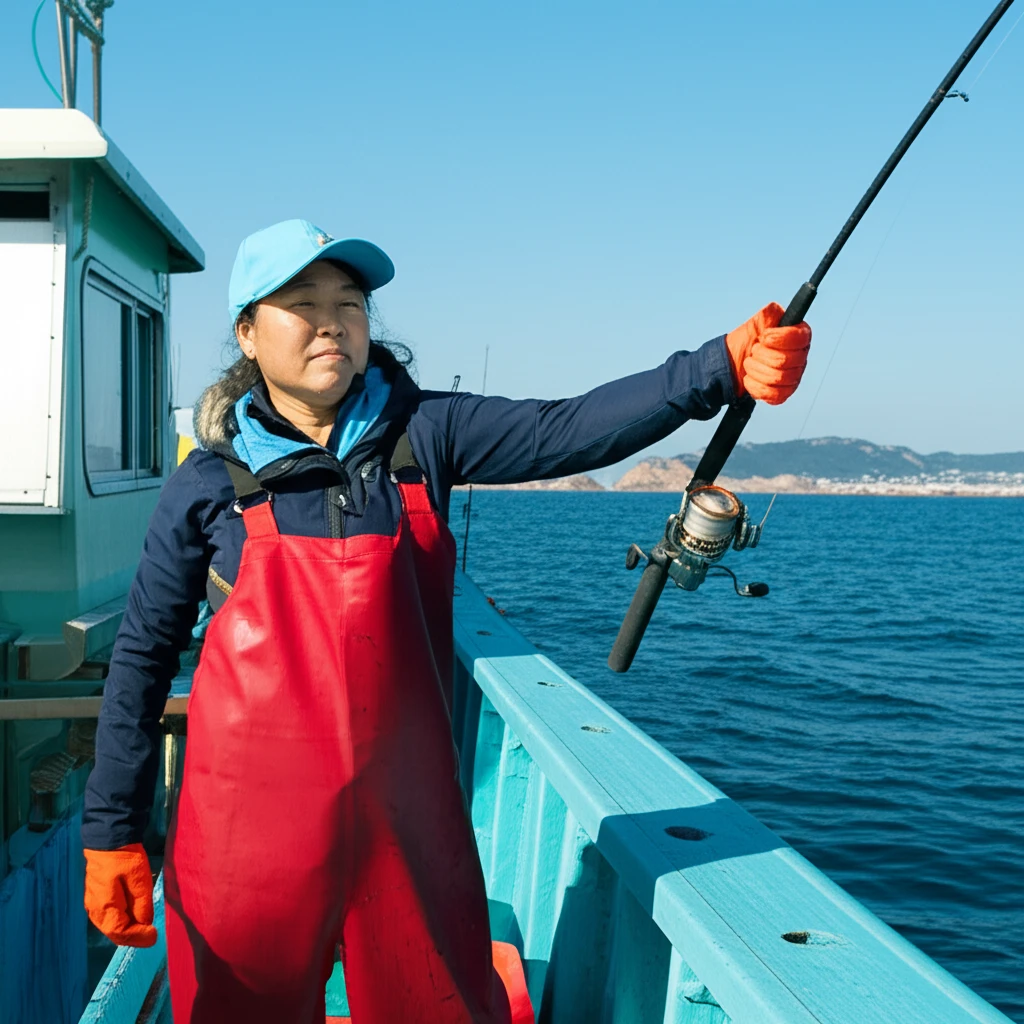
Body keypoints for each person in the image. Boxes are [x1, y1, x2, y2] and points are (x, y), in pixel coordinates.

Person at [81, 218, 811, 1023]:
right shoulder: (205, 483)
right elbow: (143, 659)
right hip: (245, 837)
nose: (333, 321)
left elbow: (568, 428)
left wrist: (717, 367)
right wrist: (111, 828)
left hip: (410, 818)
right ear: (248, 332)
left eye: (350, 303)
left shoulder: (425, 434)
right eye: (301, 303)